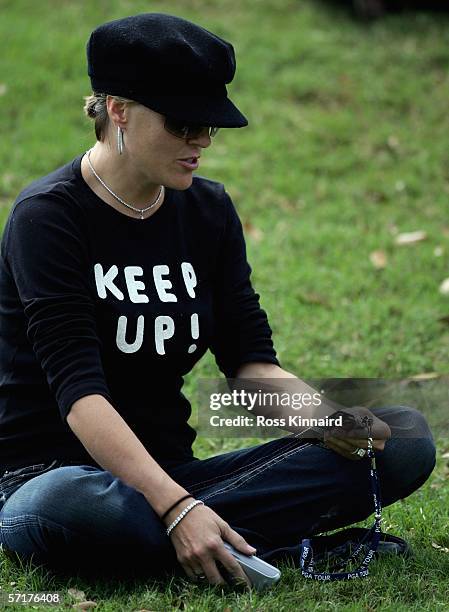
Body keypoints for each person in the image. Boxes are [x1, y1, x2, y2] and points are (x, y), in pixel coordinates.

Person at [0, 13, 436, 588]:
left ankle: (210, 541)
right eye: (184, 123)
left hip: (180, 476)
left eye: (211, 125)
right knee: (80, 506)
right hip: (53, 478)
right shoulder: (49, 218)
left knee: (402, 437)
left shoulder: (208, 211)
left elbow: (250, 366)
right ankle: (259, 545)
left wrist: (328, 420)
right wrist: (176, 507)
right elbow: (81, 397)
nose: (202, 141)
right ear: (119, 110)